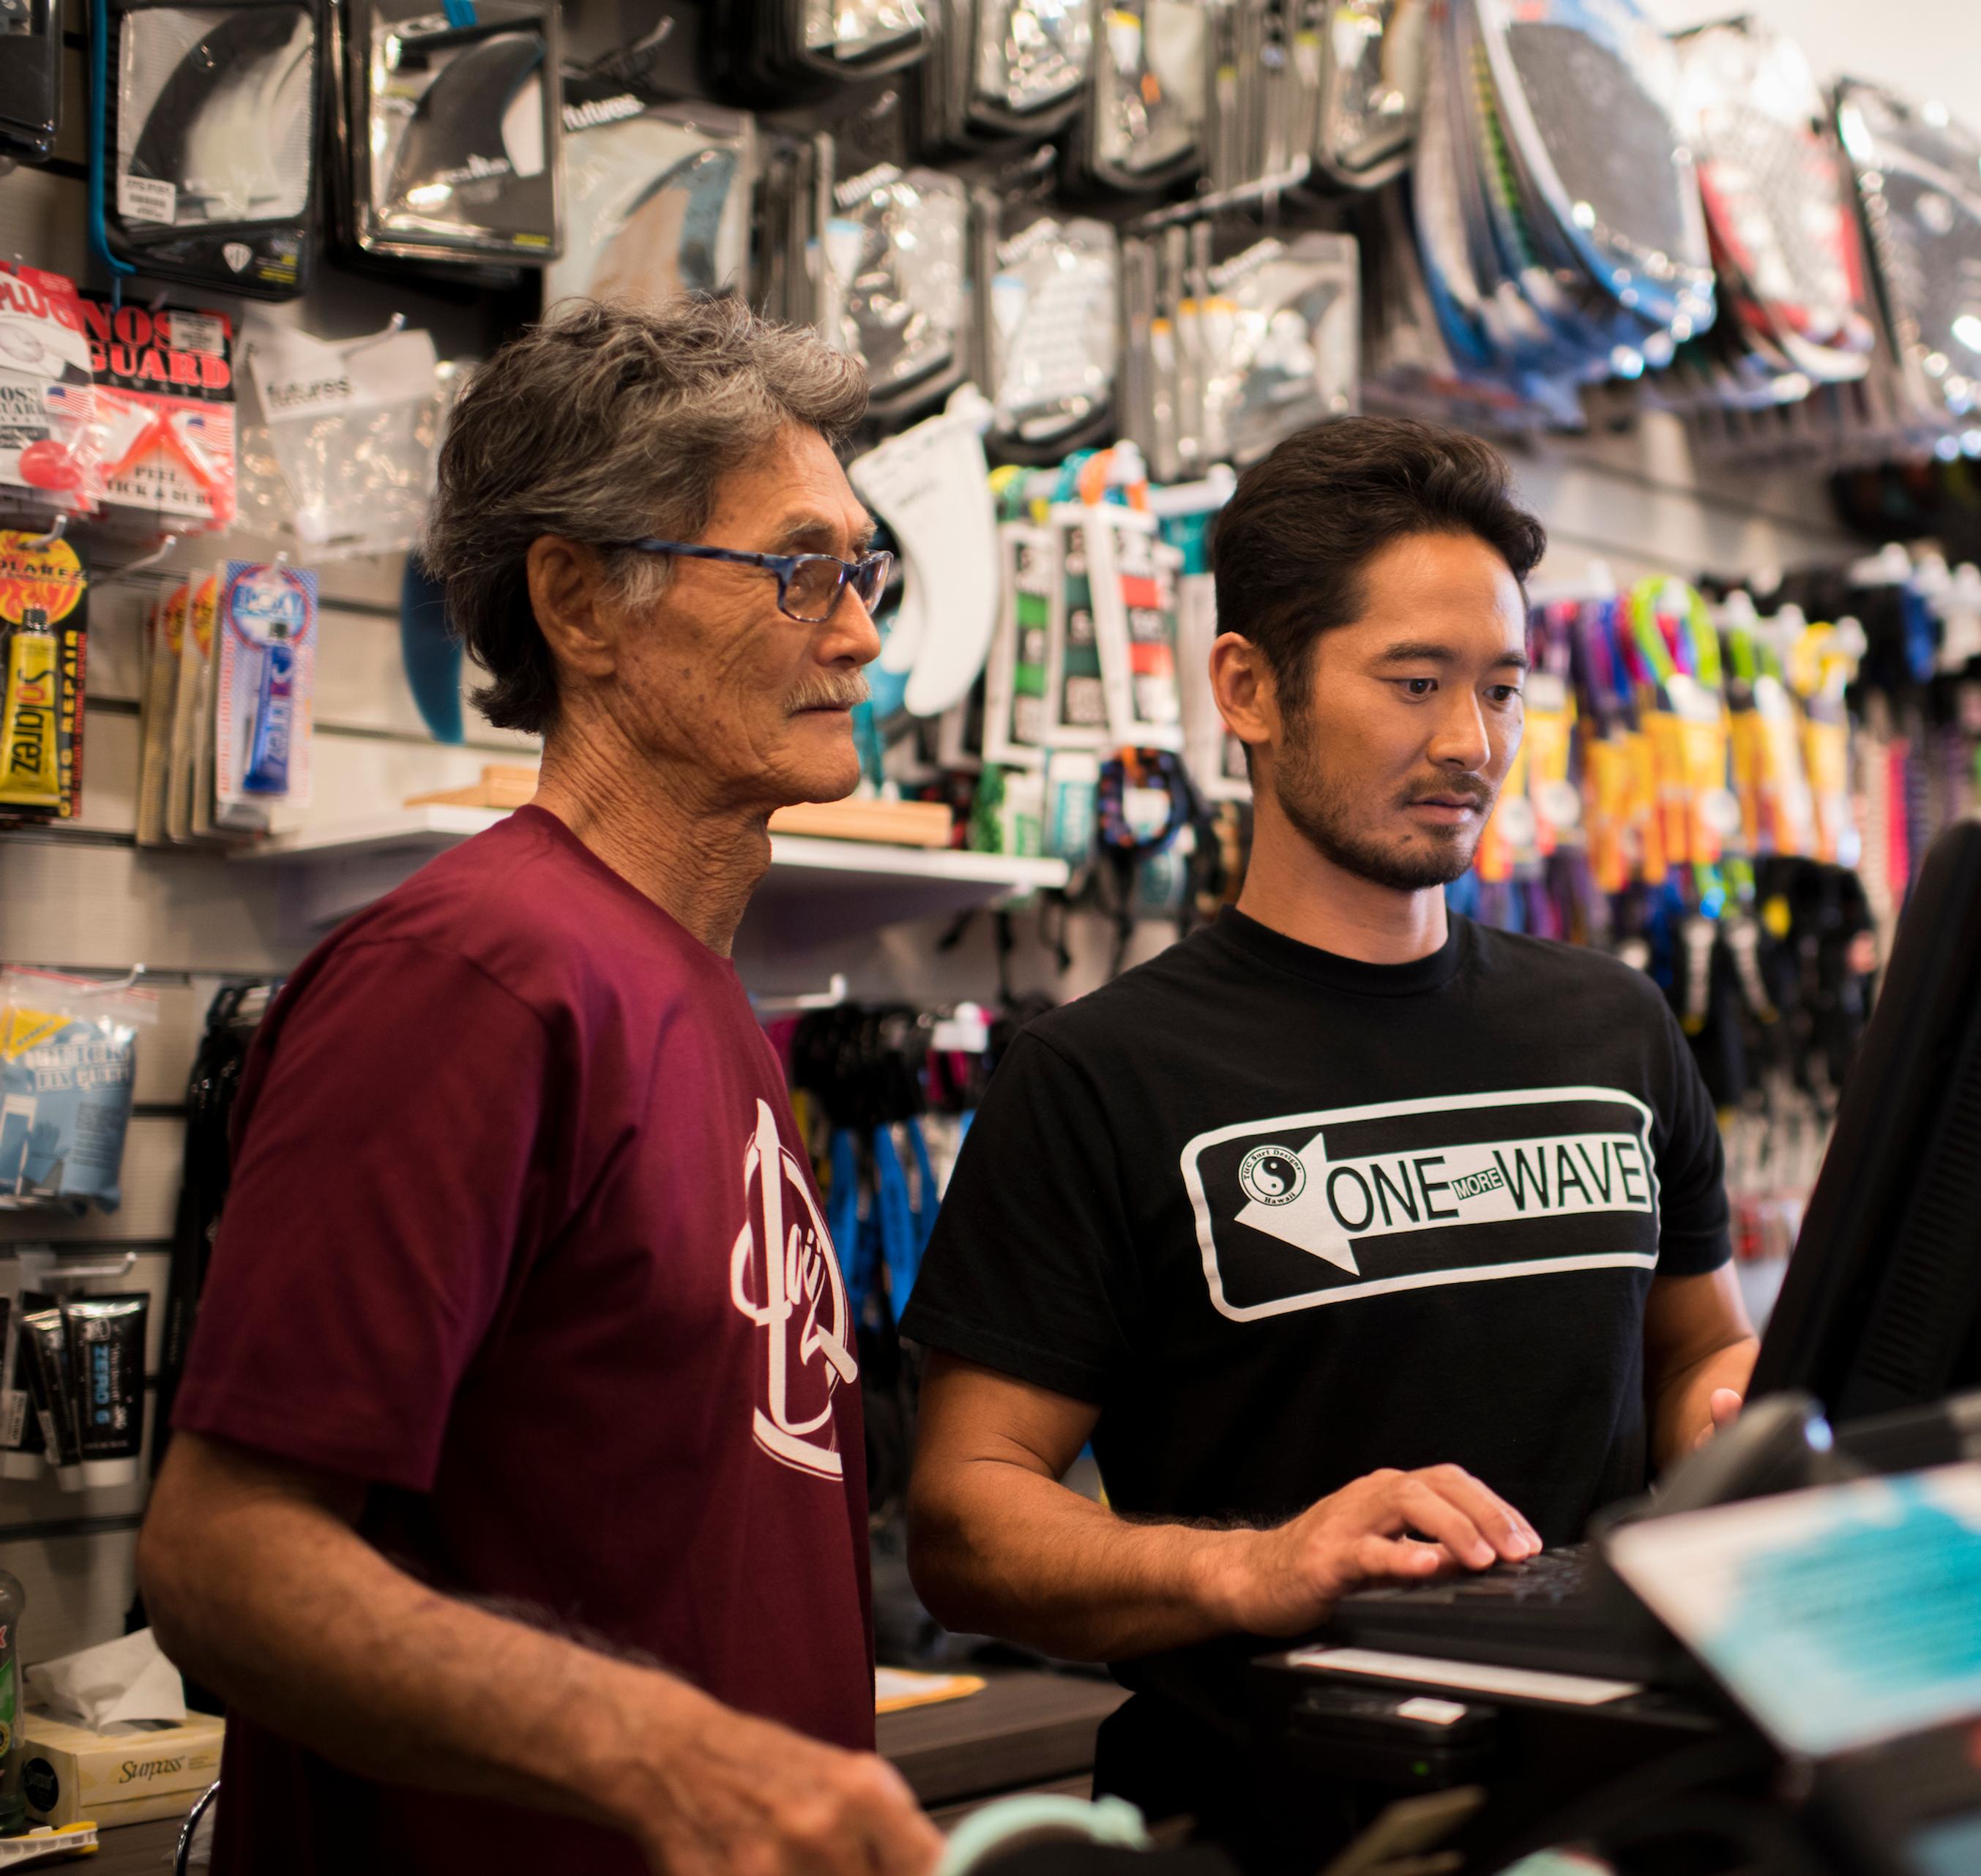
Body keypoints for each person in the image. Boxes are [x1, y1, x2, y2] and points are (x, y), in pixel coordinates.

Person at [136, 297, 944, 1876]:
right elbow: (221, 1561)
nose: (855, 631)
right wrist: (663, 1751)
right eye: (797, 570)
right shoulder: (480, 980)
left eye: (863, 572)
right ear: (580, 603)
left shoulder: (697, 999)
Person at [902, 416, 1757, 1867]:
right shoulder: (1099, 1075)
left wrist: (1741, 1427)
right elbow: (966, 1522)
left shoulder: (1616, 1031)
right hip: (1265, 1823)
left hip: (1612, 1808)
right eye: (1414, 684)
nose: (1471, 744)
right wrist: (1256, 1565)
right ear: (1249, 687)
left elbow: (1693, 1353)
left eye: (1499, 688)